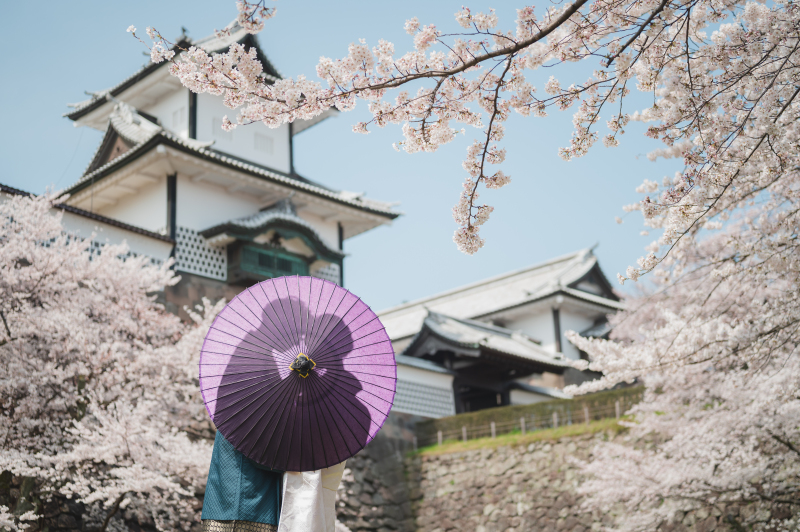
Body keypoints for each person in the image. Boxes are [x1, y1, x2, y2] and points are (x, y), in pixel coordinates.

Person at [201, 431, 347, 532]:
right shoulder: (255, 412)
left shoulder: (236, 409)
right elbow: (263, 457)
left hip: (222, 504)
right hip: (249, 508)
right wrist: (298, 462)